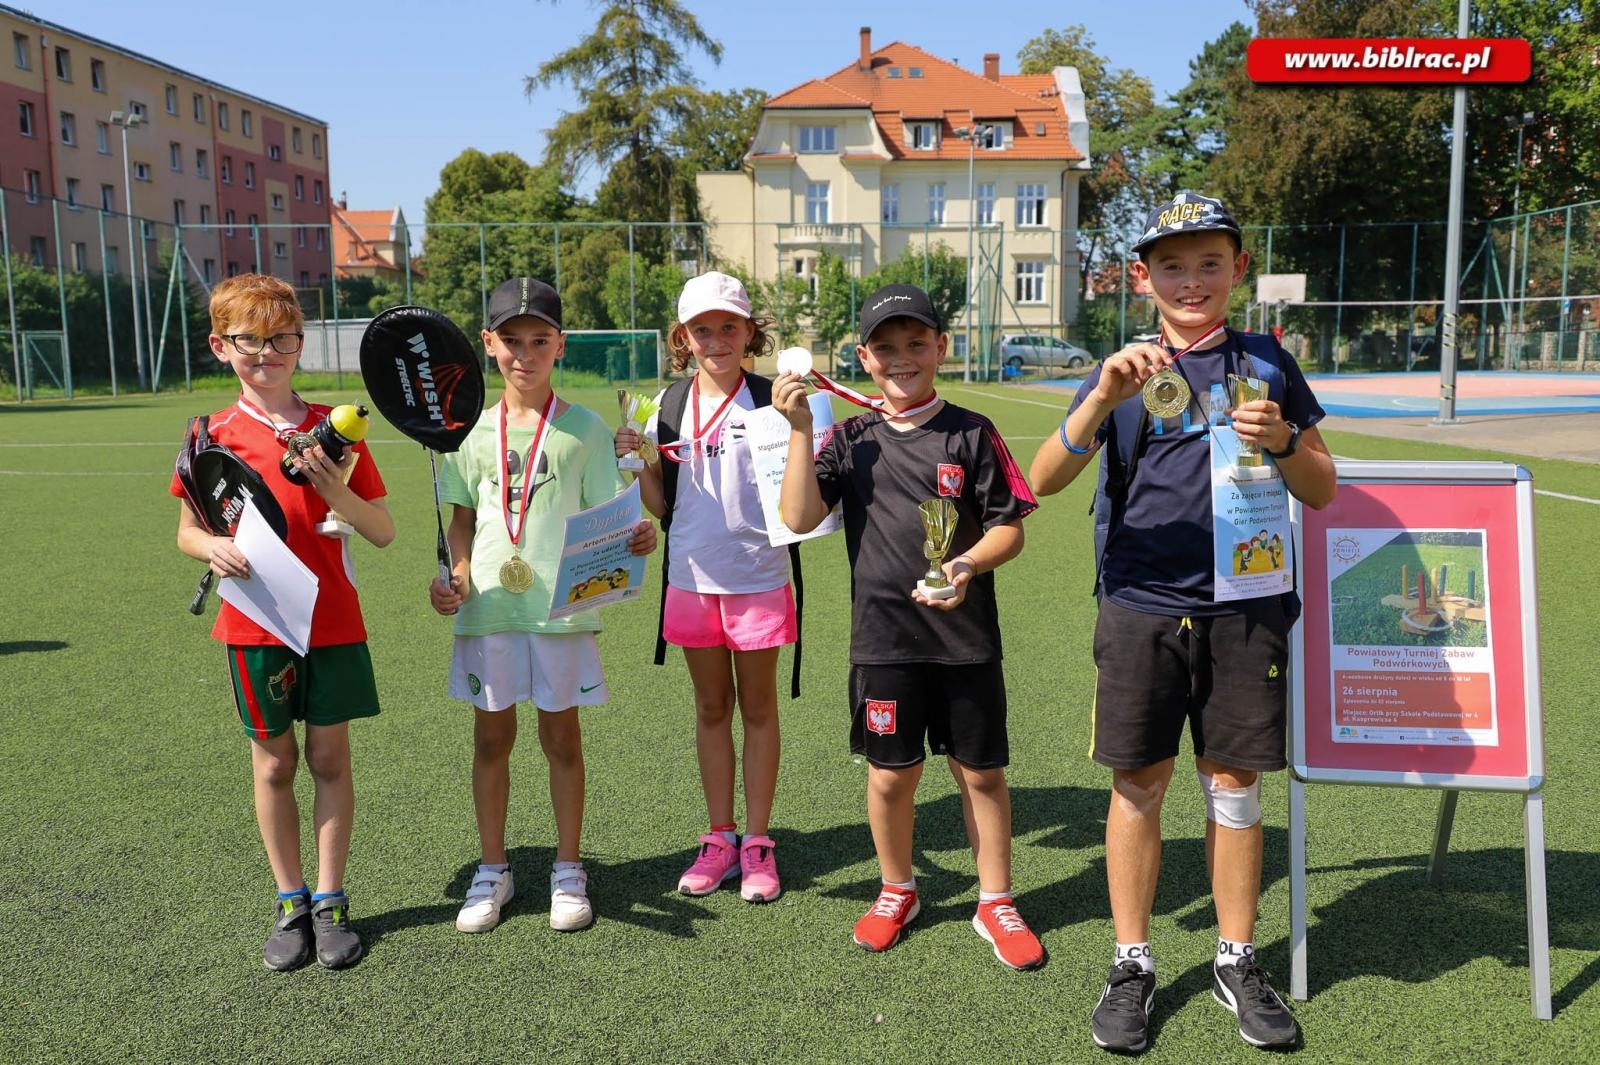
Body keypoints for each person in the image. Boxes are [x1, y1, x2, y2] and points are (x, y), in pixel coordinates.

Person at [1028, 193, 1336, 1053]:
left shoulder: (1271, 363)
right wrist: (1097, 400)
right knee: (1139, 783)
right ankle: (1133, 959)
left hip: (1248, 609)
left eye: (1210, 262)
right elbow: (1044, 478)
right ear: (1143, 277)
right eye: (1173, 264)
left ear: (1239, 267)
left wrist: (1281, 439)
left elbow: (1322, 486)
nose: (1192, 279)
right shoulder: (1123, 367)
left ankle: (1235, 958)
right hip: (1142, 607)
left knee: (1235, 788)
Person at [773, 283, 1046, 971]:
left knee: (980, 774)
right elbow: (799, 517)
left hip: (966, 641)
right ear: (865, 357)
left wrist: (966, 565)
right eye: (886, 347)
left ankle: (996, 898)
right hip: (884, 642)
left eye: (916, 343)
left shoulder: (972, 430)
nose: (903, 358)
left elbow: (1009, 527)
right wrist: (802, 431)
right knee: (892, 777)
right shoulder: (850, 438)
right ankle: (898, 887)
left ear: (940, 347)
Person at [172, 273, 395, 971]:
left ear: (301, 342)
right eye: (248, 341)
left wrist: (336, 488)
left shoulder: (336, 426)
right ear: (219, 345)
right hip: (254, 625)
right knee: (275, 763)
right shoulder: (210, 435)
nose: (265, 353)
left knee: (330, 759)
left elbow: (383, 530)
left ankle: (331, 900)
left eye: (280, 339)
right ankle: (290, 899)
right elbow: (186, 530)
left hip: (330, 618)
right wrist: (211, 545)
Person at [430, 277, 656, 934]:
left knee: (562, 737)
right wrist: (457, 574)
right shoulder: (469, 433)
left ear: (560, 344)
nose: (524, 354)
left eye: (539, 341)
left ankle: (567, 867)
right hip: (491, 608)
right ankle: (493, 867)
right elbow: (462, 523)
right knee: (491, 736)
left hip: (561, 613)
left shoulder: (583, 427)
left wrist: (637, 535)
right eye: (511, 341)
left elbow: (610, 520)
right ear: (489, 343)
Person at [613, 271, 796, 903]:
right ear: (682, 338)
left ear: (749, 331)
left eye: (728, 326)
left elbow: (803, 493)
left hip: (761, 578)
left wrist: (803, 425)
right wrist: (637, 463)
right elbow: (661, 507)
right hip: (691, 579)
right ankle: (721, 837)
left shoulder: (775, 399)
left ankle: (760, 841)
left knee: (760, 709)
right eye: (701, 329)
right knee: (712, 710)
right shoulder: (666, 406)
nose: (715, 339)